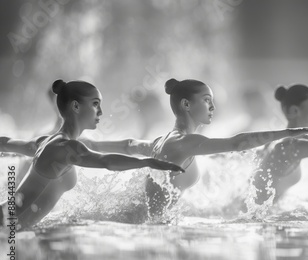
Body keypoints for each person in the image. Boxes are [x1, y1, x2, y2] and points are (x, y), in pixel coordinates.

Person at [82, 78, 308, 218]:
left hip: (139, 220)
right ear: (187, 104)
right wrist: (290, 132)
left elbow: (130, 145)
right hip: (143, 225)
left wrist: (92, 143)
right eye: (207, 101)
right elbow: (238, 142)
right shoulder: (185, 142)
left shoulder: (166, 139)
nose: (212, 107)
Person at [0, 79, 184, 229]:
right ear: (76, 107)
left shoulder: (46, 141)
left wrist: (149, 146)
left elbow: (6, 143)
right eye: (95, 104)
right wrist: (149, 163)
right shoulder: (65, 147)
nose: (101, 112)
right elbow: (106, 162)